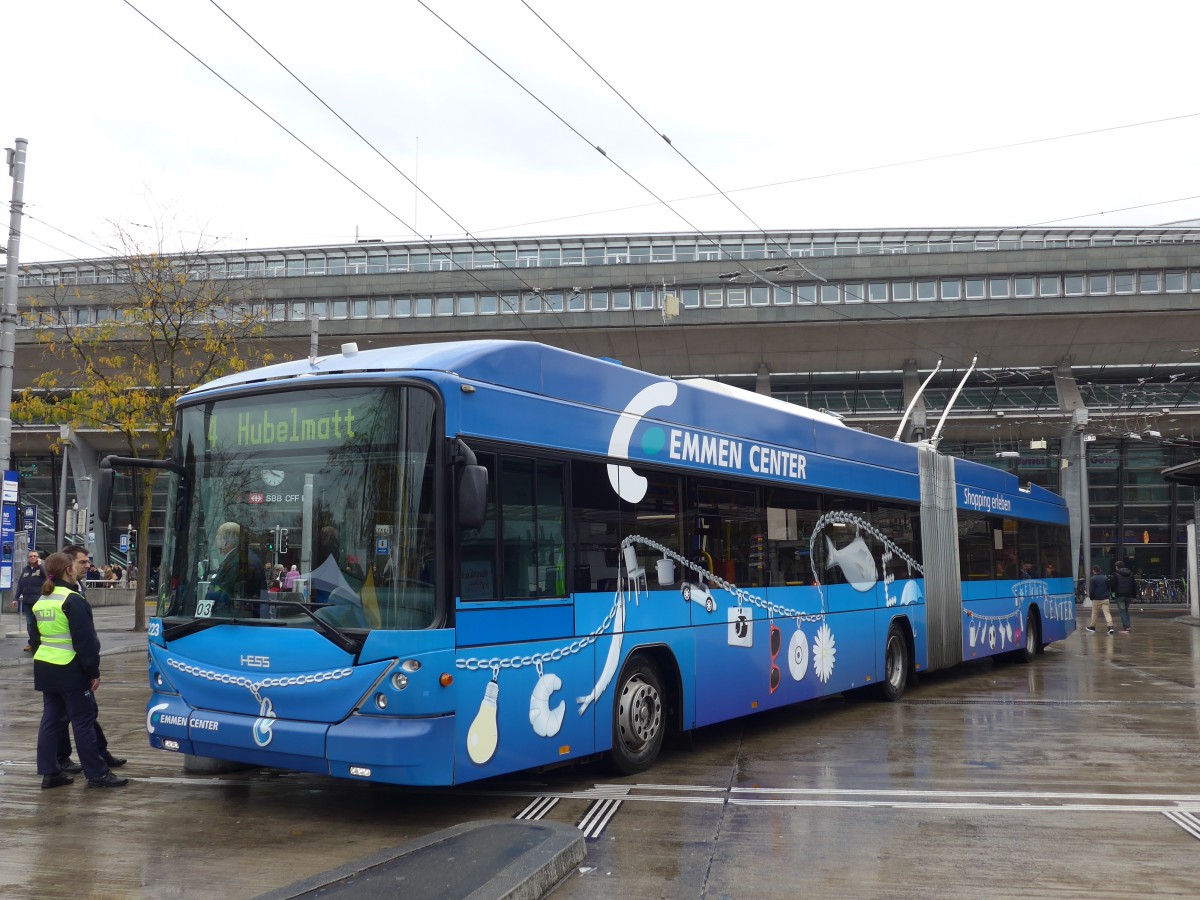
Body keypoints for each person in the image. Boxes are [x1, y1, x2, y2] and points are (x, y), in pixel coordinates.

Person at [29, 552, 128, 789]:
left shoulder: (41, 601)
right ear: (68, 570)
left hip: (45, 667)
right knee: (83, 722)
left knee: (51, 721)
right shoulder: (73, 600)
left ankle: (50, 773)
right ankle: (97, 774)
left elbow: (35, 639)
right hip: (70, 669)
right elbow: (86, 642)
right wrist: (93, 671)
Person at [55, 544, 126, 774]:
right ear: (69, 565)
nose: (88, 565)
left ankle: (100, 754)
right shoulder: (61, 592)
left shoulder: (77, 587)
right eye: (82, 562)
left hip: (74, 664)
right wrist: (91, 669)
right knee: (67, 717)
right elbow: (80, 636)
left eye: (88, 561)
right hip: (69, 666)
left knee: (85, 713)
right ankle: (66, 760)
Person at [208, 521, 266, 609]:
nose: (216, 543)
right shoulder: (245, 556)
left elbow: (224, 593)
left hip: (233, 616)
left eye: (218, 538)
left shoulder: (237, 562)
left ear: (225, 541)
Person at [14, 549, 45, 652]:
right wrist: (16, 598)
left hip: (40, 601)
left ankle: (42, 643)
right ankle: (32, 643)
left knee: (41, 623)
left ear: (38, 557)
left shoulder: (42, 568)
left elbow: (49, 577)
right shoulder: (25, 570)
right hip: (28, 601)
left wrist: (40, 565)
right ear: (28, 558)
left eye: (35, 556)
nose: (33, 558)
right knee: (30, 624)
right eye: (31, 556)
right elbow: (20, 584)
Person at [1084, 565, 1114, 635]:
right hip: (1105, 598)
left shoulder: (1093, 579)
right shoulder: (1105, 578)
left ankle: (1092, 627)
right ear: (1100, 570)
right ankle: (1110, 627)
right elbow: (1109, 587)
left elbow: (1091, 590)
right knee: (1107, 613)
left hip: (1096, 599)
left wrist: (1091, 598)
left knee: (1094, 613)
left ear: (1093, 571)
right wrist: (1108, 595)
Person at [1112, 559, 1137, 634]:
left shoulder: (1116, 575)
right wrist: (1134, 596)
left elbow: (1113, 586)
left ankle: (1126, 627)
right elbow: (1134, 586)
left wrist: (1113, 595)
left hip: (1120, 595)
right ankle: (1128, 625)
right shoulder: (1130, 574)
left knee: (1122, 611)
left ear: (1117, 567)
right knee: (1126, 610)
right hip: (1129, 595)